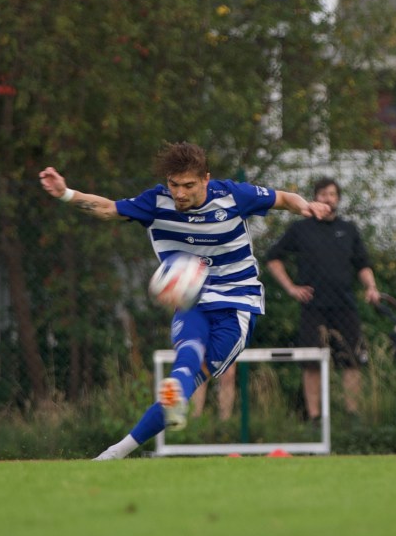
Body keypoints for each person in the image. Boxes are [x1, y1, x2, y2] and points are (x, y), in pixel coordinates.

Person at [39, 142, 331, 460]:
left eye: (188, 185)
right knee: (186, 358)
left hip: (237, 304)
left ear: (206, 179)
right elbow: (109, 208)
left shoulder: (232, 195)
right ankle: (117, 450)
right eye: (174, 184)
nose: (179, 193)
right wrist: (66, 193)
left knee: (194, 373)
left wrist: (306, 206)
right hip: (192, 299)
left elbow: (283, 198)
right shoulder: (156, 202)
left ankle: (168, 402)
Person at [265, 177, 380, 419]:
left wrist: (371, 287)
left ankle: (352, 416)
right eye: (323, 194)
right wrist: (291, 288)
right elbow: (273, 259)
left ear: (338, 199)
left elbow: (363, 264)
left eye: (332, 194)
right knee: (311, 363)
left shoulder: (348, 229)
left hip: (345, 305)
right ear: (315, 197)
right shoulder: (300, 229)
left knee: (352, 362)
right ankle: (315, 418)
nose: (328, 199)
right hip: (313, 307)